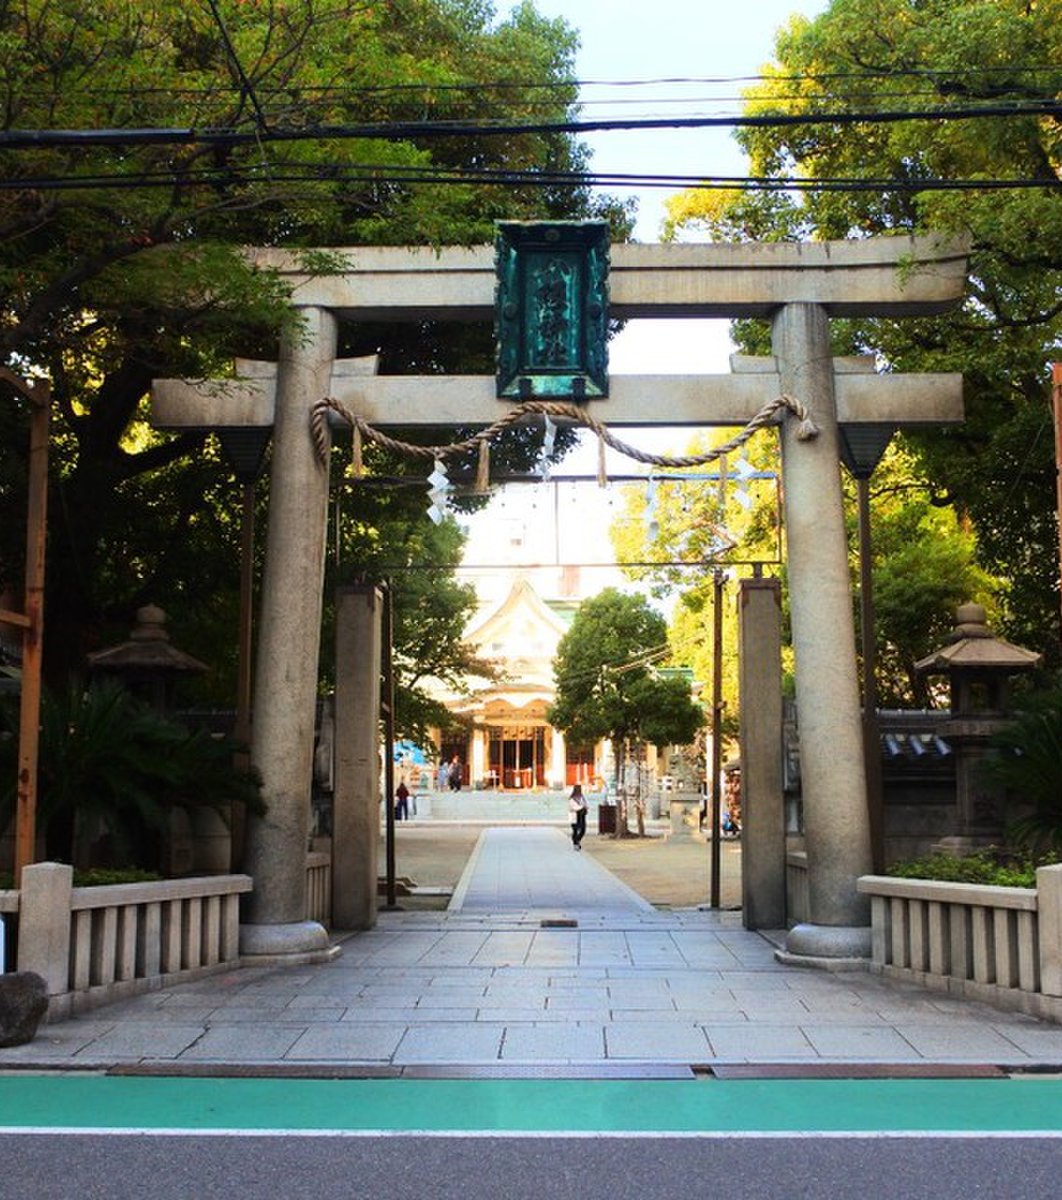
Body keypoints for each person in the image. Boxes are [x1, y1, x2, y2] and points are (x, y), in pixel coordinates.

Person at [568, 783, 588, 850]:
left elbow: (585, 804)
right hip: (575, 816)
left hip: (582, 815)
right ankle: (575, 843)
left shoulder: (582, 797)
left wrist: (585, 807)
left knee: (583, 830)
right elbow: (572, 807)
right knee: (575, 830)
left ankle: (578, 840)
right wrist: (580, 807)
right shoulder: (572, 799)